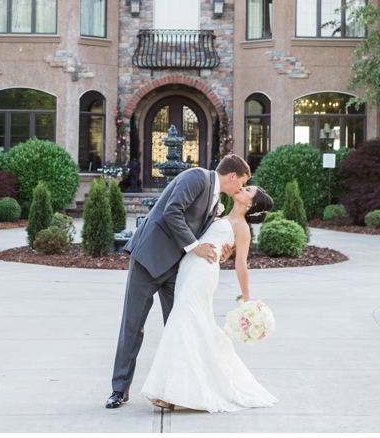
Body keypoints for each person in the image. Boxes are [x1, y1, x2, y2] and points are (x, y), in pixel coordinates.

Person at [106, 154, 250, 409]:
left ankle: (175, 390)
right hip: (149, 259)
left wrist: (222, 251)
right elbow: (173, 212)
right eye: (241, 184)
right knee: (133, 325)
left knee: (180, 328)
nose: (240, 189)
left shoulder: (216, 200)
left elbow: (205, 232)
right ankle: (119, 390)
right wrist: (196, 247)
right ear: (232, 176)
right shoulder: (196, 177)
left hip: (176, 269)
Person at [140, 184, 277, 412]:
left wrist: (247, 299)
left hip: (203, 274)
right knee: (193, 325)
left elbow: (241, 263)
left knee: (181, 322)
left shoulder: (242, 227)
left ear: (250, 204)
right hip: (187, 269)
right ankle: (180, 389)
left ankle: (171, 394)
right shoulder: (218, 212)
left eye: (247, 190)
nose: (242, 188)